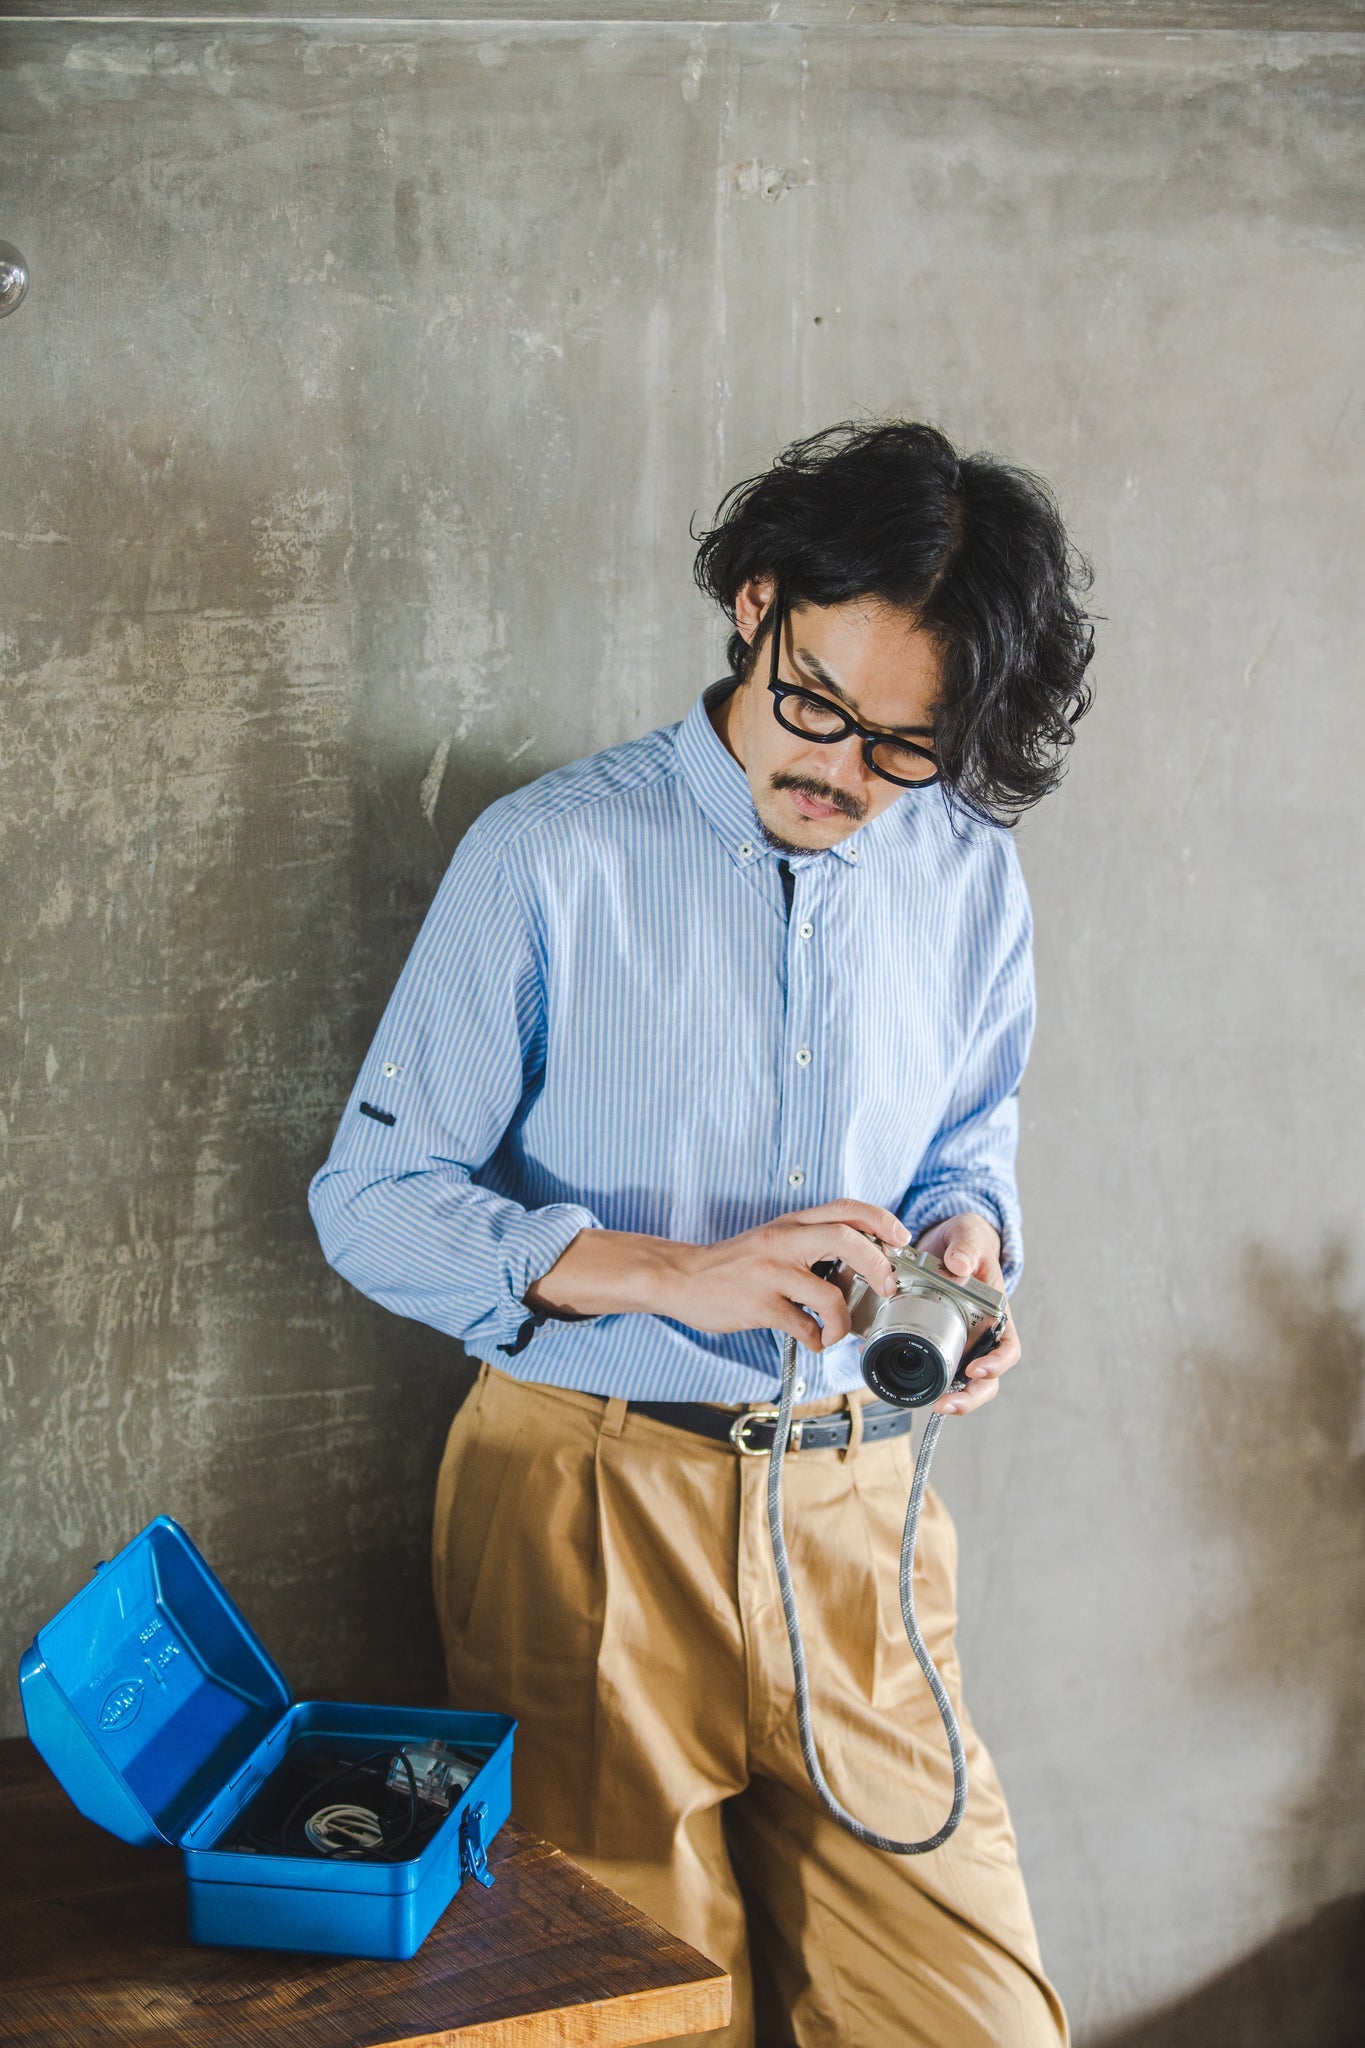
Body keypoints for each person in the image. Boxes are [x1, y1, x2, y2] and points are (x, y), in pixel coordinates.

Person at [309, 420, 1095, 2047]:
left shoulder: (967, 873)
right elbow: (370, 1205)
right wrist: (676, 1272)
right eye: (816, 704)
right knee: (626, 2020)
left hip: (864, 1519)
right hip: (589, 1505)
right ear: (754, 605)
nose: (837, 771)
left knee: (980, 2024)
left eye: (902, 748)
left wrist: (967, 1256)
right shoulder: (547, 854)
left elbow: (970, 1141)